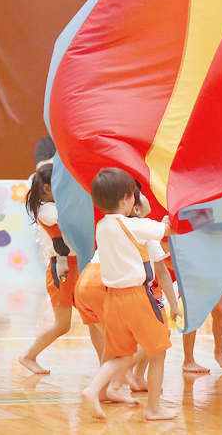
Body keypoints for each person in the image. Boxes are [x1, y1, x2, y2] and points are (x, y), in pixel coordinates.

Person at [80, 168, 181, 421]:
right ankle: (154, 409)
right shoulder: (135, 226)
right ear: (127, 199)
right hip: (137, 297)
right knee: (158, 352)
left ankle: (94, 390)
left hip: (113, 299)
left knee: (122, 355)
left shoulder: (102, 226)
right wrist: (174, 219)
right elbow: (169, 231)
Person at [18, 163, 79, 375]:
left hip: (78, 265)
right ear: (47, 189)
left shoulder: (54, 205)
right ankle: (28, 356)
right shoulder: (46, 210)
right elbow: (69, 218)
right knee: (63, 325)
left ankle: (107, 367)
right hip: (61, 269)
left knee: (95, 319)